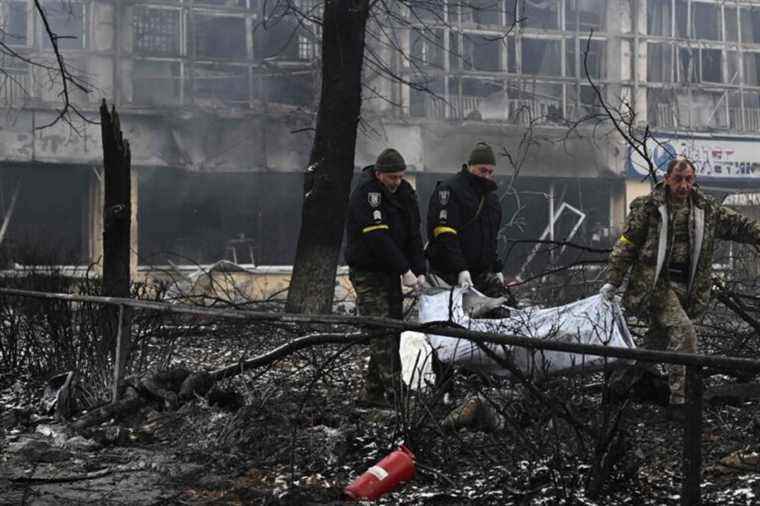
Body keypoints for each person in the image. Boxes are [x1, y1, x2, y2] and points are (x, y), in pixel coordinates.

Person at [600, 156, 760, 408]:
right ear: (667, 179)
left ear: (693, 180)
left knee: (656, 342)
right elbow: (627, 244)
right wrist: (613, 280)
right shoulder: (649, 208)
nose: (683, 185)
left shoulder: (705, 208)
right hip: (656, 285)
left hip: (690, 287)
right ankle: (681, 402)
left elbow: (738, 225)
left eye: (688, 179)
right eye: (678, 179)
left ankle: (618, 387)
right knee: (684, 333)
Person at [346, 148, 426, 406]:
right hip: (368, 272)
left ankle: (372, 394)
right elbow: (377, 238)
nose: (396, 182)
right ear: (379, 174)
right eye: (391, 177)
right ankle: (396, 390)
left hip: (392, 270)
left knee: (393, 330)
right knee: (381, 330)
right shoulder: (366, 195)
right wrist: (405, 269)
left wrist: (419, 269)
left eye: (400, 176)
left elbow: (414, 234)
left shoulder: (405, 194)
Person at [426, 141, 511, 300]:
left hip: (481, 273)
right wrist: (460, 269)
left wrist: (496, 268)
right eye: (482, 170)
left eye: (490, 171)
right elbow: (444, 234)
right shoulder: (450, 190)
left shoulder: (491, 199)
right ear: (471, 166)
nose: (486, 175)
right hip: (449, 273)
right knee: (454, 320)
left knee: (506, 311)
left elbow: (490, 240)